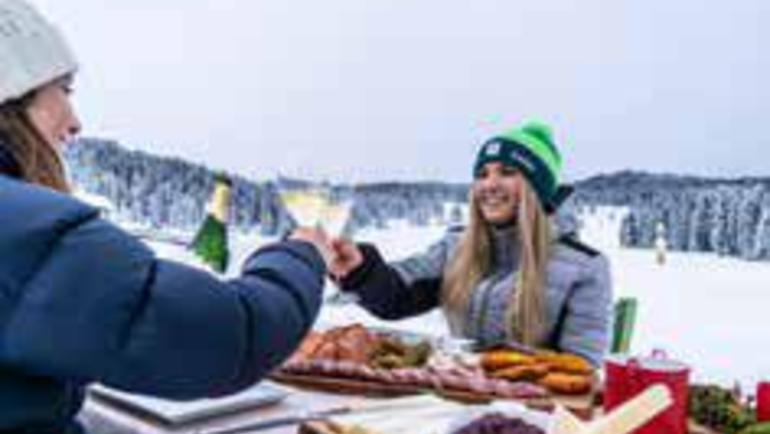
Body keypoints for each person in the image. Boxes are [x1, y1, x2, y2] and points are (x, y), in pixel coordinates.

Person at [0, 1, 331, 432]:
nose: (76, 121)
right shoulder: (23, 231)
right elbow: (227, 337)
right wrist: (303, 255)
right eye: (65, 89)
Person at [331, 121, 613, 366]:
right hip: (453, 401)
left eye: (507, 172)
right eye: (482, 174)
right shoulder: (456, 246)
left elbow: (580, 373)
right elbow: (396, 298)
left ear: (536, 188)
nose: (489, 184)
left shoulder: (583, 268)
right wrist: (361, 270)